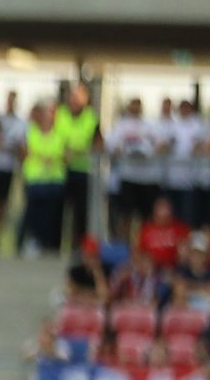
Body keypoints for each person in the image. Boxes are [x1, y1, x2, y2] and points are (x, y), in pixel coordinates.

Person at [54, 82, 101, 254]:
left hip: (83, 170)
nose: (75, 100)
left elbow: (97, 143)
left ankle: (79, 248)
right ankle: (56, 246)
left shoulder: (91, 117)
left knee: (81, 214)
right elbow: (56, 138)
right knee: (60, 211)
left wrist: (78, 151)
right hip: (61, 170)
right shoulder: (61, 115)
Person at [106, 98, 161, 243]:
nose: (135, 109)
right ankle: (124, 243)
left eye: (138, 106)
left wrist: (151, 151)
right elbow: (110, 145)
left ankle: (145, 243)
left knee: (147, 216)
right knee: (126, 215)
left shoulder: (150, 125)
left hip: (147, 178)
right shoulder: (121, 125)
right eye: (133, 106)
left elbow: (160, 144)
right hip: (128, 176)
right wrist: (119, 150)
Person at [20, 101, 68, 255]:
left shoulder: (59, 134)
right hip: (35, 180)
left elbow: (66, 155)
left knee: (51, 216)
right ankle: (32, 241)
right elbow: (25, 152)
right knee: (33, 214)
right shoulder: (31, 132)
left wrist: (51, 158)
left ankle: (50, 245)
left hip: (54, 180)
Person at [0, 90, 25, 252]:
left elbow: (20, 148)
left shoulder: (20, 123)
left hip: (9, 169)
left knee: (3, 204)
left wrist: (6, 145)